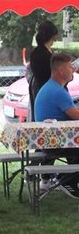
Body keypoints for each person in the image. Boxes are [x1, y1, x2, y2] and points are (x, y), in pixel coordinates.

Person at [34, 53, 79, 197]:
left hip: (48, 142)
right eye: (70, 67)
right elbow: (76, 116)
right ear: (60, 70)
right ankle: (67, 181)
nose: (73, 70)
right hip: (54, 143)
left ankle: (65, 179)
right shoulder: (58, 91)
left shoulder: (51, 87)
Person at [29, 20, 58, 120]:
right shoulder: (47, 55)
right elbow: (54, 76)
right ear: (53, 36)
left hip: (37, 88)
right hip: (48, 91)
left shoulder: (34, 52)